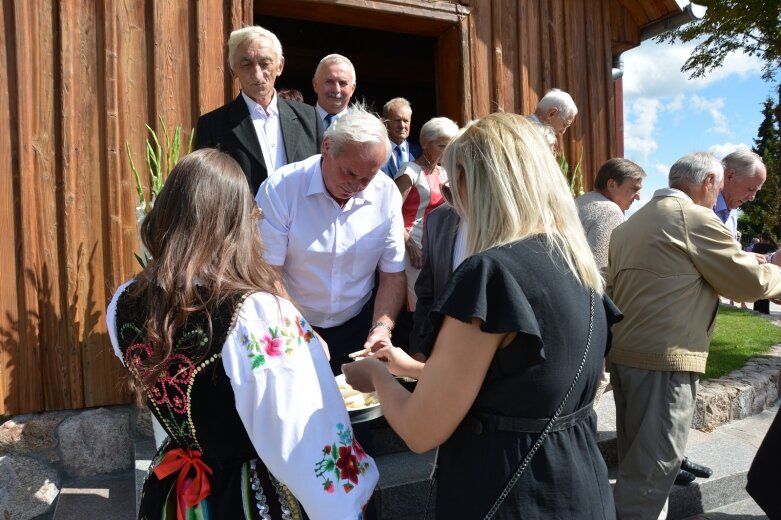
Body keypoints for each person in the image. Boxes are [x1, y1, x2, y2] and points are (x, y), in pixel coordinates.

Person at [344, 112, 621, 519]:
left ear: (477, 185)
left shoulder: (491, 273)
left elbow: (421, 431)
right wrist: (415, 369)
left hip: (509, 491)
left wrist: (376, 377)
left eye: (455, 189)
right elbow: (525, 379)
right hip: (578, 486)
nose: (454, 204)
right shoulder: (577, 265)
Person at [106, 149, 378, 519]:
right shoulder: (257, 314)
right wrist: (346, 506)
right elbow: (300, 436)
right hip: (246, 497)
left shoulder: (124, 301)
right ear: (234, 223)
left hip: (173, 492)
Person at [606, 152, 781, 520]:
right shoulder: (694, 217)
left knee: (635, 465)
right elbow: (746, 282)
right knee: (653, 471)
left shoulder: (630, 224)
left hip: (626, 356)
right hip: (664, 361)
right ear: (708, 183)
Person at [256, 104, 406, 375]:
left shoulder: (387, 194)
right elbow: (267, 273)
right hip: (289, 322)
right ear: (327, 147)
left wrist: (382, 328)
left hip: (357, 326)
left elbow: (393, 275)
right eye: (349, 173)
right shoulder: (282, 188)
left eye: (368, 178)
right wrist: (301, 329)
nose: (357, 186)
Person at [195, 26, 322, 195]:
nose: (257, 74)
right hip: (244, 220)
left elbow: (322, 176)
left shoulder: (309, 117)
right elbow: (208, 190)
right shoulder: (212, 125)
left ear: (280, 66)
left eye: (265, 63)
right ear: (233, 69)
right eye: (246, 64)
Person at [394, 116, 459, 310]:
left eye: (450, 146)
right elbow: (390, 211)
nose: (446, 151)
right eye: (441, 146)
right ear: (424, 143)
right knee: (417, 305)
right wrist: (409, 244)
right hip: (411, 249)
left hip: (437, 247)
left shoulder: (445, 173)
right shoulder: (410, 171)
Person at [575, 158, 645, 271]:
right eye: (634, 189)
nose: (638, 197)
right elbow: (599, 273)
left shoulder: (581, 201)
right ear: (612, 185)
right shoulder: (610, 213)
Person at [312, 54, 357, 130]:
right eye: (329, 82)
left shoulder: (362, 127)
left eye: (342, 83)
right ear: (315, 85)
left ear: (353, 89)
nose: (336, 90)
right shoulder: (298, 123)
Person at [380, 97, 422, 178]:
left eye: (406, 121)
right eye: (397, 120)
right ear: (385, 122)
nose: (402, 126)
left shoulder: (419, 152)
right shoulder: (378, 151)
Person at [751, 231, 778, 313]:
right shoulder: (773, 247)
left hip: (758, 271)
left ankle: (756, 310)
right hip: (768, 272)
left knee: (758, 293)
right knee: (766, 293)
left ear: (761, 238)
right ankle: (765, 310)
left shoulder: (756, 246)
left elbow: (753, 257)